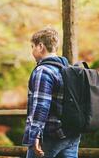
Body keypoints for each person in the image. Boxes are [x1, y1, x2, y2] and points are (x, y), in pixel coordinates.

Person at [22, 27, 81, 158]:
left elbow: (41, 105)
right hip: (71, 134)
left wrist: (35, 135)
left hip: (50, 136)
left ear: (41, 46)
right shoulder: (68, 69)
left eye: (33, 46)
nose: (32, 51)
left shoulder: (44, 70)